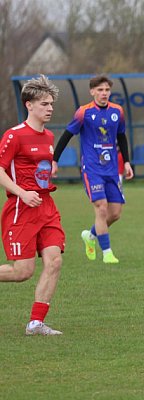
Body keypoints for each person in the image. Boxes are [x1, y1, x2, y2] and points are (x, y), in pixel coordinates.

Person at [0, 75, 64, 335]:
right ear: (29, 105)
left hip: (46, 206)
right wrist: (22, 193)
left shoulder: (49, 136)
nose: (50, 108)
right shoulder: (14, 135)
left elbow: (38, 168)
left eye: (51, 104)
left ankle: (36, 323)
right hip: (21, 208)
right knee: (22, 271)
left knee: (54, 261)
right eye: (44, 104)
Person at [52, 74, 134, 264]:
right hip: (92, 169)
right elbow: (67, 135)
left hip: (111, 169)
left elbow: (121, 136)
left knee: (115, 213)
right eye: (100, 90)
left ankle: (90, 236)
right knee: (101, 208)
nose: (104, 93)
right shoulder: (84, 112)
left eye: (107, 90)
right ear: (92, 92)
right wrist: (54, 160)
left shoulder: (117, 111)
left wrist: (127, 162)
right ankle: (107, 253)